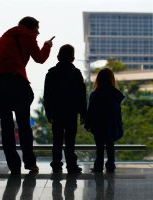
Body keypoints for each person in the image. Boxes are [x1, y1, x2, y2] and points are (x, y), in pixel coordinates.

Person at [0, 16, 54, 174]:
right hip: (15, 83)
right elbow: (40, 59)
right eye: (37, 29)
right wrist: (47, 45)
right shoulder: (28, 36)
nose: (38, 33)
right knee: (24, 127)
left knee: (7, 127)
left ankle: (14, 166)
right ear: (31, 27)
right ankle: (30, 163)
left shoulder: (2, 39)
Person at [43, 44, 87, 174]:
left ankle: (56, 164)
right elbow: (81, 95)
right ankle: (71, 165)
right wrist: (83, 113)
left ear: (58, 57)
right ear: (73, 58)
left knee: (57, 140)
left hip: (56, 112)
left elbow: (47, 95)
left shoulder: (51, 74)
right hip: (71, 112)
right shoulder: (76, 73)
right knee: (70, 141)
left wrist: (48, 112)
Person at [85, 68, 124, 173]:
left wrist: (88, 123)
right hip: (111, 124)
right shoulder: (115, 94)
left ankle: (98, 165)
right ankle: (110, 165)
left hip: (98, 125)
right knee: (110, 145)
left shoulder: (95, 94)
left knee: (99, 146)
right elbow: (117, 112)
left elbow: (91, 110)